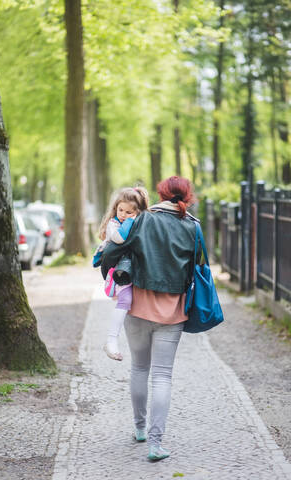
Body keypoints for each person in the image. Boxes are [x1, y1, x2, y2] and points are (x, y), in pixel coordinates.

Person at [101, 176, 199, 461]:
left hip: (138, 306)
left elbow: (111, 250)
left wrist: (113, 278)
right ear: (187, 196)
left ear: (160, 193)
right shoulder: (193, 226)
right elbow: (200, 266)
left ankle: (140, 429)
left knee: (140, 369)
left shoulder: (142, 219)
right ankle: (155, 444)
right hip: (173, 311)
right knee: (162, 376)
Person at [93, 186, 149, 361]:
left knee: (136, 303)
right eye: (120, 210)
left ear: (138, 212)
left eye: (129, 212)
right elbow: (119, 239)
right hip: (120, 271)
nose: (123, 214)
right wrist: (130, 222)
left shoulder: (143, 223)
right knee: (125, 301)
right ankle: (111, 340)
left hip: (137, 270)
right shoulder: (114, 224)